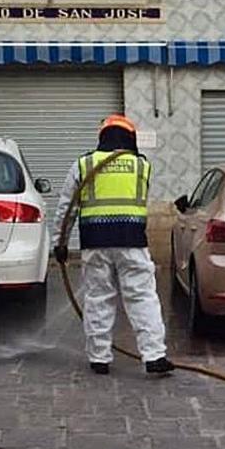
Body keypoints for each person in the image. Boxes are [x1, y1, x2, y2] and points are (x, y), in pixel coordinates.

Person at [52, 114, 172, 376]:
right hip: (131, 241)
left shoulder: (84, 164)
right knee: (142, 297)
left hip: (95, 242)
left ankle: (99, 359)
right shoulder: (142, 165)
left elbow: (66, 208)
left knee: (98, 297)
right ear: (130, 138)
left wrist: (59, 243)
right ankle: (154, 356)